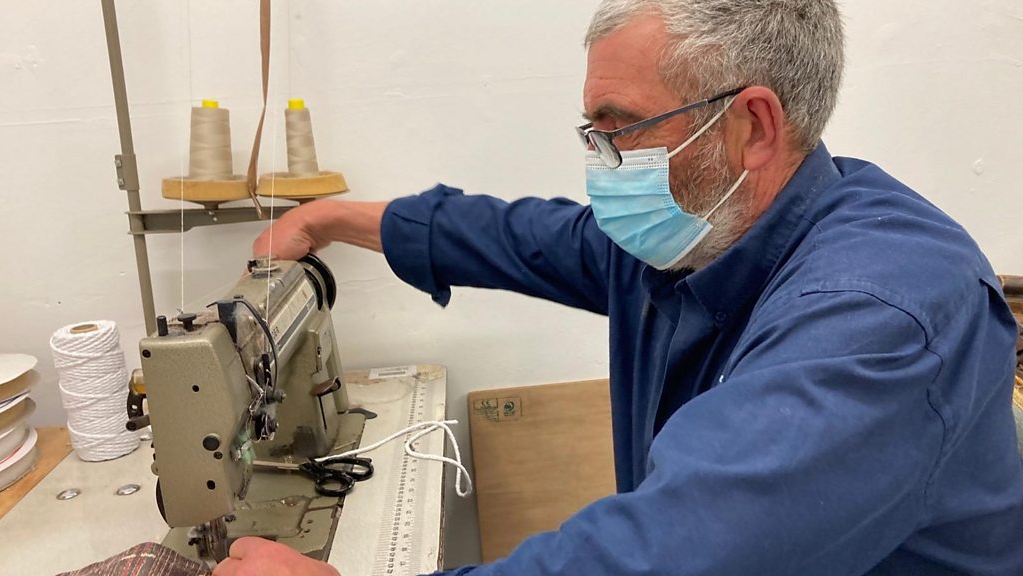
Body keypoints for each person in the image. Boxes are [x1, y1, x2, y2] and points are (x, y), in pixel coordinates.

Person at [213, 1, 1023, 575]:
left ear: (753, 125)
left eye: (619, 127)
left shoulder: (879, 317)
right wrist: (331, 220)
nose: (599, 161)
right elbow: (521, 236)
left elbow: (674, 552)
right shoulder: (701, 230)